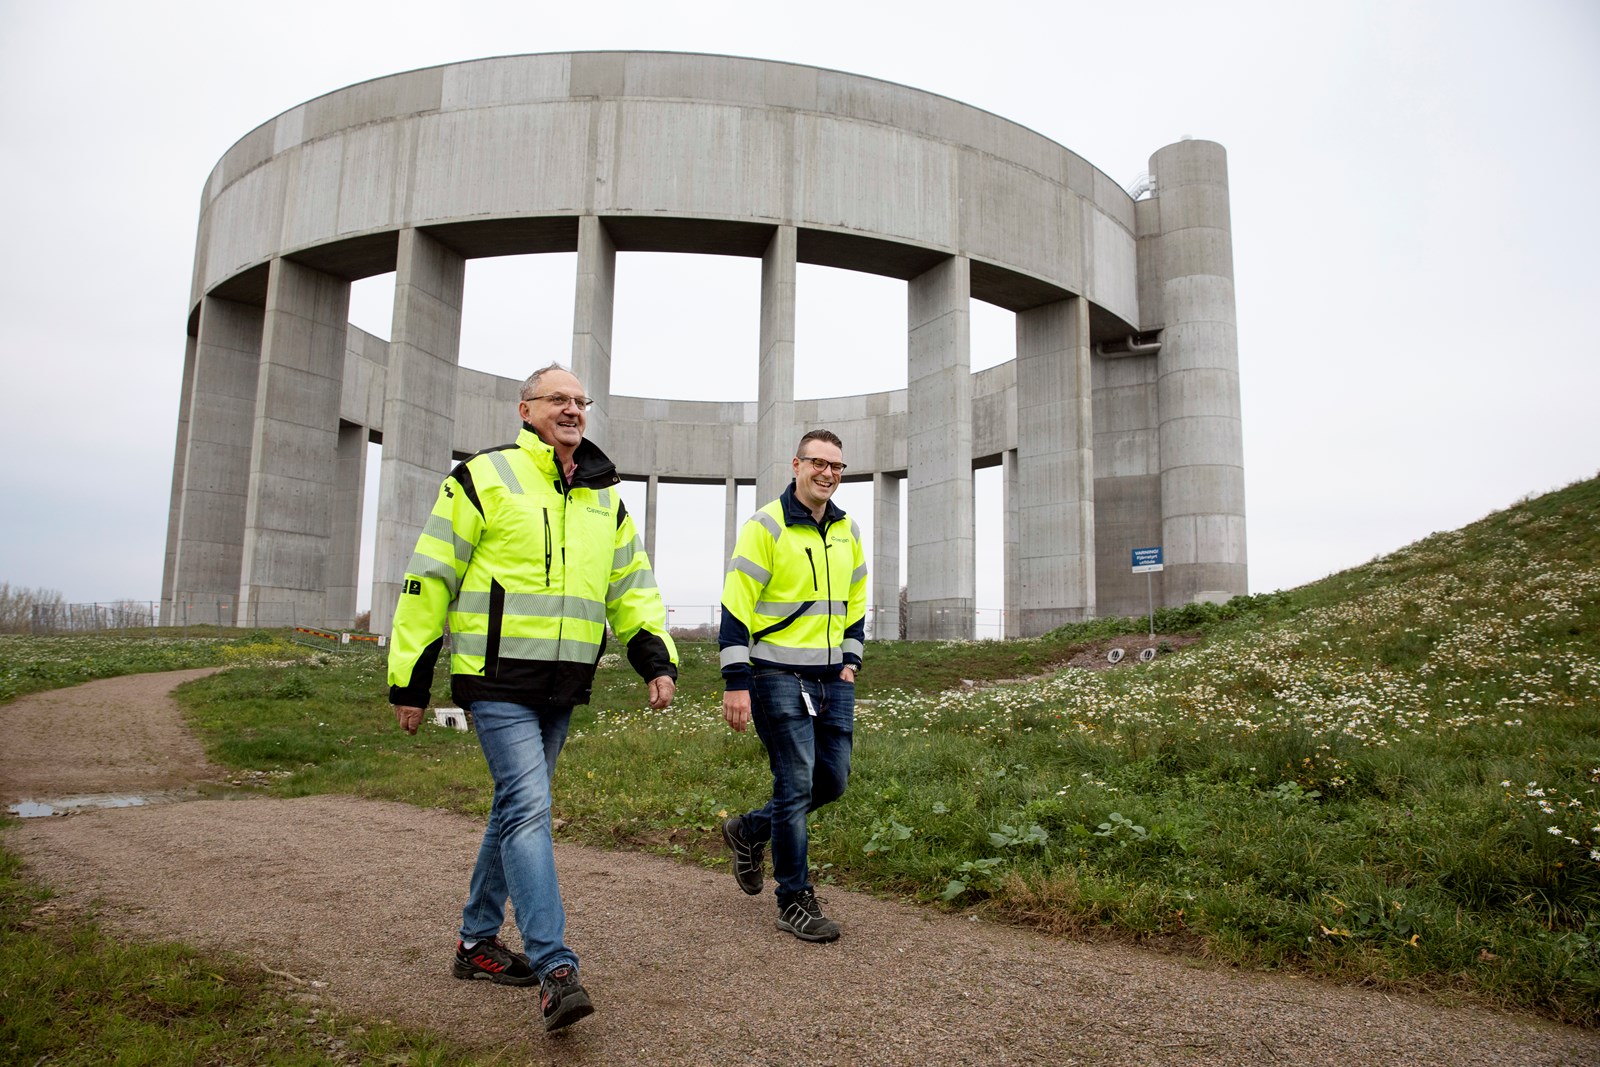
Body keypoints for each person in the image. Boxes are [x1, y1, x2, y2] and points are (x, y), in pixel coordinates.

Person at [388, 362, 677, 1032]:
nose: (573, 409)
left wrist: (653, 659)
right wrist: (411, 678)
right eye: (558, 399)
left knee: (514, 807)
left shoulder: (605, 495)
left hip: (563, 684)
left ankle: (474, 941)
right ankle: (556, 968)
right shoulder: (482, 478)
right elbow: (431, 575)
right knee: (528, 808)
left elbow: (631, 586)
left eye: (581, 401)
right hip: (494, 680)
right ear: (525, 410)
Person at [718, 429, 866, 942]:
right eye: (818, 463)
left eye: (837, 467)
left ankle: (749, 829)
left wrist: (852, 660)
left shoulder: (847, 530)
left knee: (833, 781)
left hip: (833, 679)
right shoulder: (766, 525)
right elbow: (736, 604)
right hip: (775, 674)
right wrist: (736, 680)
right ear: (796, 465)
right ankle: (794, 898)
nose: (829, 474)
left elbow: (857, 600)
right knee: (796, 780)